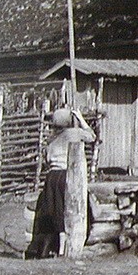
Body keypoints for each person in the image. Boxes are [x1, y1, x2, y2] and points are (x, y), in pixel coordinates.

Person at [25, 107, 96, 260]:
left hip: (51, 177)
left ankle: (54, 248)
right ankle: (66, 248)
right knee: (67, 210)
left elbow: (46, 160)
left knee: (54, 212)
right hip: (66, 174)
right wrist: (81, 119)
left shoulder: (52, 139)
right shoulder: (74, 133)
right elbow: (92, 136)